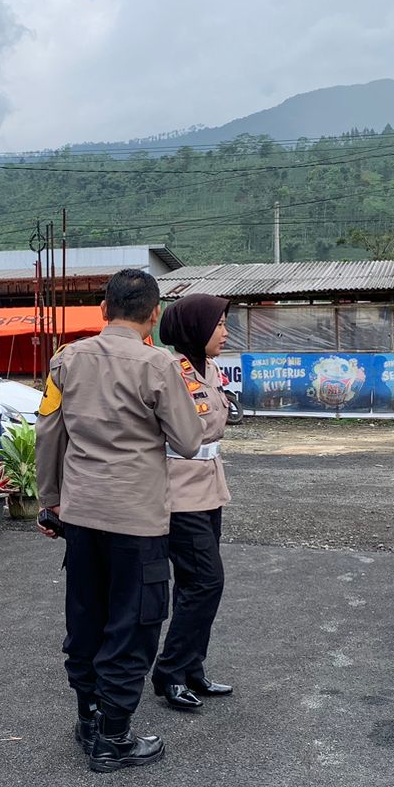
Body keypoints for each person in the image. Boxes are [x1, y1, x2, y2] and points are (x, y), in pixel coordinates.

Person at [35, 269, 204, 773]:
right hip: (137, 520)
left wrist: (51, 500)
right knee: (132, 626)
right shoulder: (158, 365)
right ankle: (114, 737)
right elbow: (190, 441)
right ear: (154, 314)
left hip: (82, 516)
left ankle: (89, 718)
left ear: (104, 310)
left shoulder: (66, 360)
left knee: (87, 618)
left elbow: (48, 432)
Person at [151, 294, 234, 711]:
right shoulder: (170, 371)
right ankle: (169, 672)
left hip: (208, 488)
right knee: (207, 581)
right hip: (179, 492)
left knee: (192, 584)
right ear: (195, 329)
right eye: (218, 324)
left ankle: (191, 668)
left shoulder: (211, 369)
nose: (225, 332)